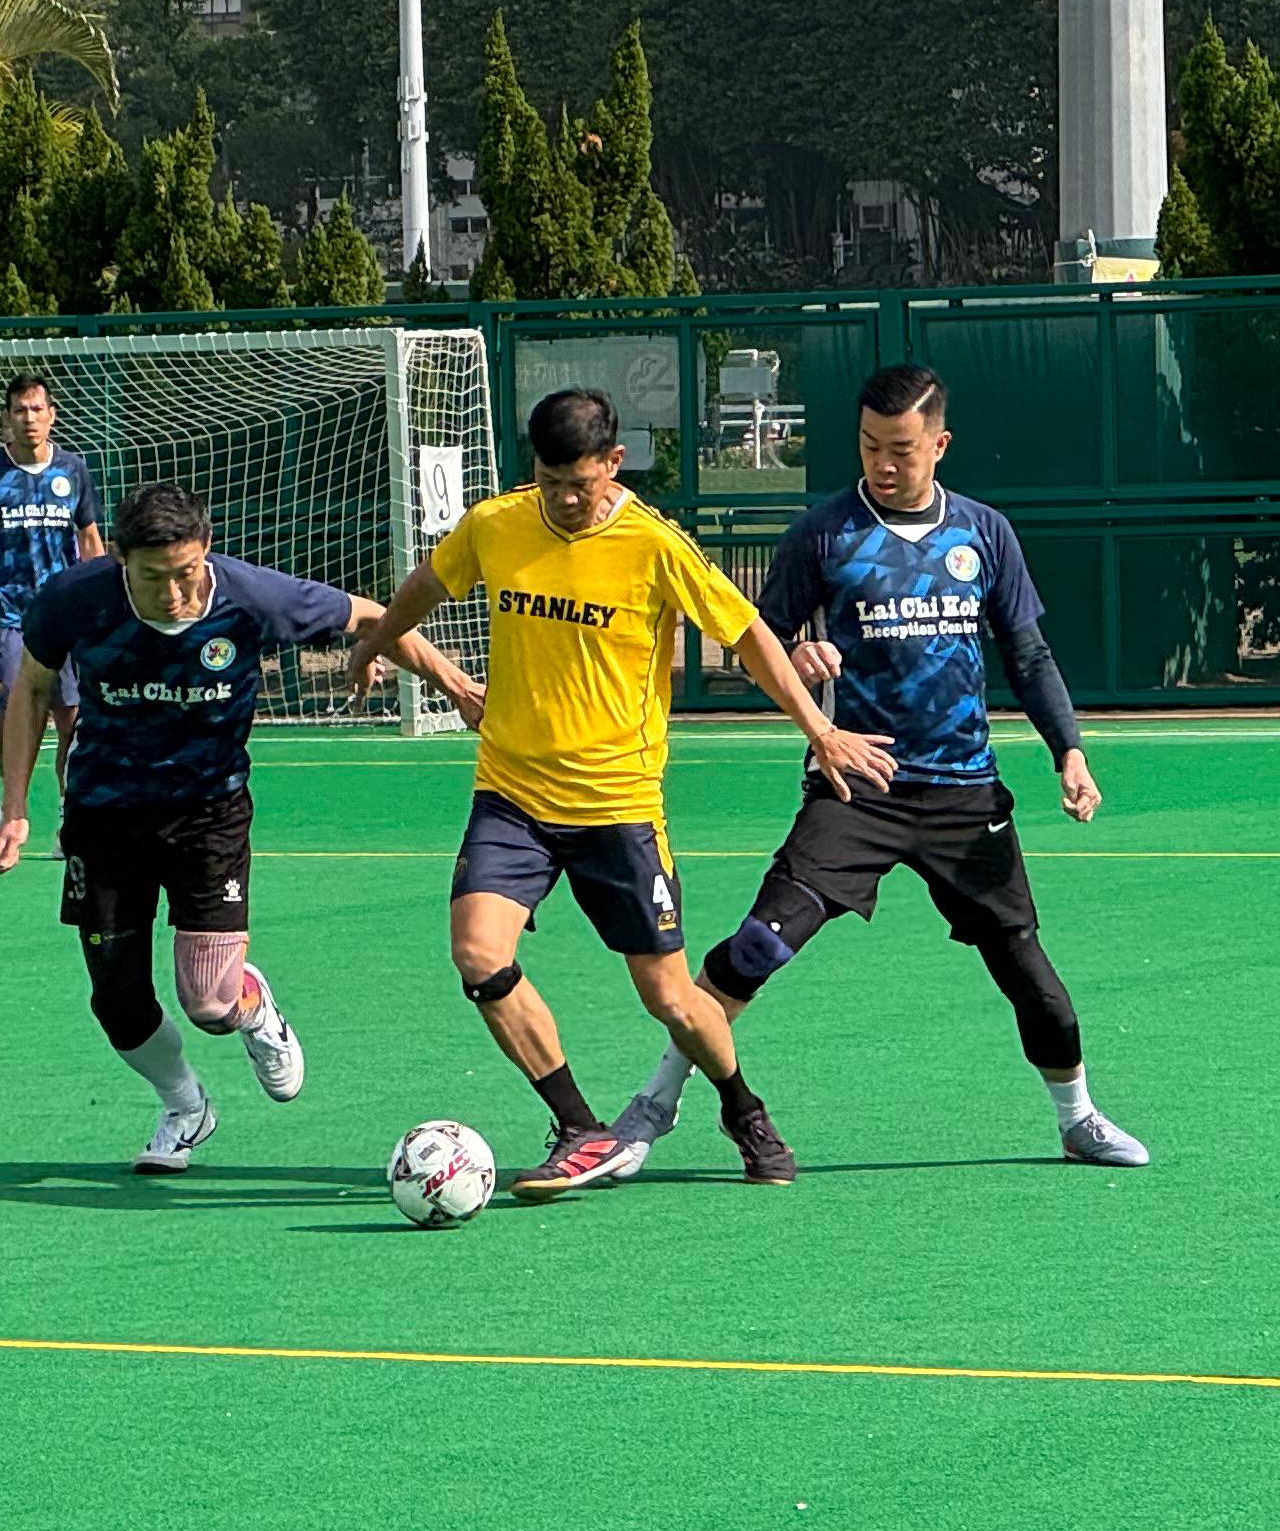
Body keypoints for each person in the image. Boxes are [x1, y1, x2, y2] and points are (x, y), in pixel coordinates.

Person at [345, 386, 894, 1203]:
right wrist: (376, 645)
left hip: (616, 806)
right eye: (550, 481)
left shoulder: (654, 544)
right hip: (512, 794)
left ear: (614, 462)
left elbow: (747, 634)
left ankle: (743, 1109)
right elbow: (428, 582)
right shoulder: (496, 525)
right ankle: (580, 1127)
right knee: (479, 955)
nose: (565, 499)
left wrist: (819, 728)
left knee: (670, 996)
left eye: (580, 482)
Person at [613, 362, 1152, 1170]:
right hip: (856, 786)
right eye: (870, 447)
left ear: (940, 445)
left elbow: (1029, 654)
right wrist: (800, 658)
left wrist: (1068, 752)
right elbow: (757, 645)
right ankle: (655, 1103)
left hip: (965, 793)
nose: (883, 464)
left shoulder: (983, 533)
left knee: (1028, 972)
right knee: (759, 946)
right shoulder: (823, 534)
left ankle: (1078, 1119)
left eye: (901, 449)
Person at [0, 483, 479, 1172]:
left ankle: (255, 1011)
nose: (173, 593)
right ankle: (184, 1105)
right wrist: (14, 806)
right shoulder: (75, 598)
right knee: (118, 1003)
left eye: (186, 573)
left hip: (208, 815)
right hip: (104, 816)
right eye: (152, 577)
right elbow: (33, 688)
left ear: (207, 550)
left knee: (210, 1002)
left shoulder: (250, 596)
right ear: (120, 559)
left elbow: (372, 615)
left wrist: (458, 687)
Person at [0, 374, 105, 757]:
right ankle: (11, 792)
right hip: (6, 613)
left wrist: (105, 604)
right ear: (7, 417)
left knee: (70, 716)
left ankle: (70, 792)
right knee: (15, 711)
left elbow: (89, 539)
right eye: (20, 410)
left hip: (63, 612)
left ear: (52, 414)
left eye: (37, 409)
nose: (29, 418)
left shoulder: (72, 470)